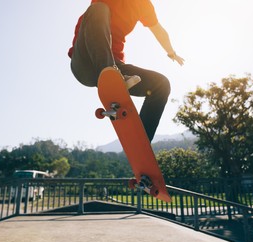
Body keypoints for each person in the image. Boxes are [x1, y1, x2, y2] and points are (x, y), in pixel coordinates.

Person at [68, 0, 184, 142]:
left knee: (161, 84)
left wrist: (172, 53)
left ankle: (141, 141)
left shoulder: (143, 4)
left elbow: (158, 30)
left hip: (116, 65)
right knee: (99, 9)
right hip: (84, 61)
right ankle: (111, 74)